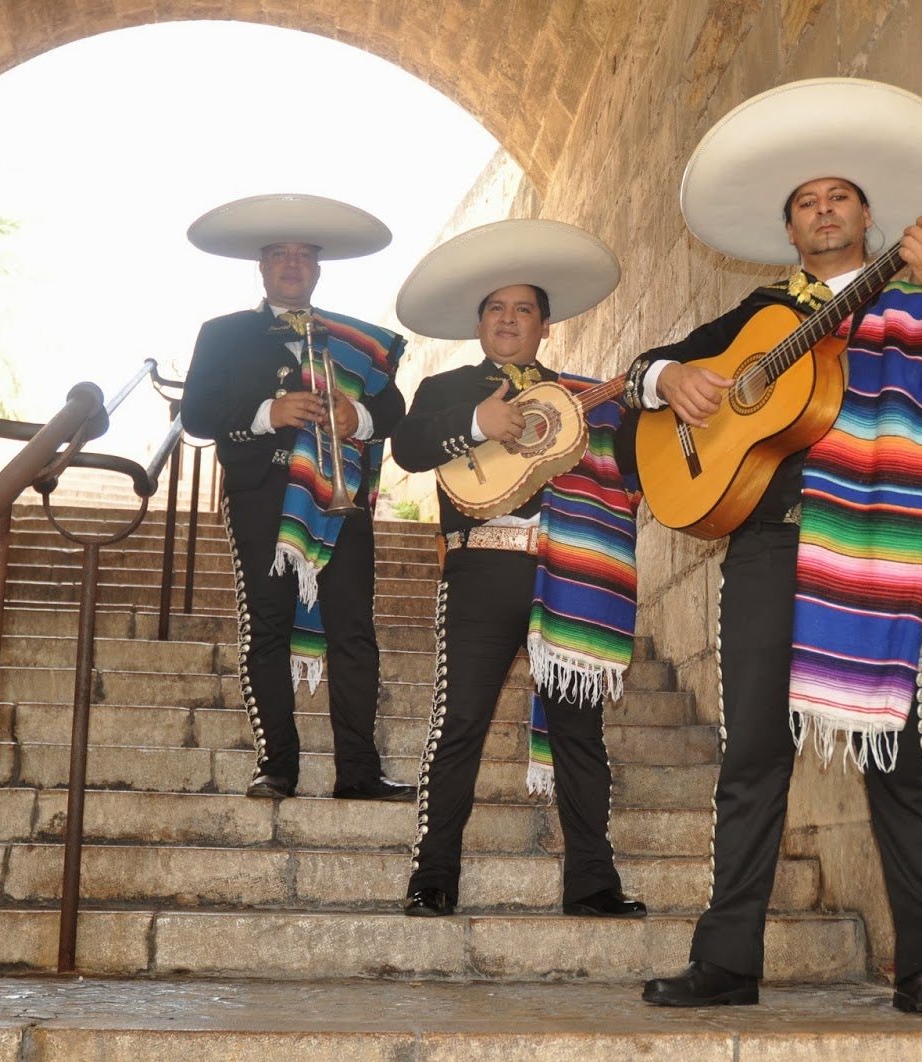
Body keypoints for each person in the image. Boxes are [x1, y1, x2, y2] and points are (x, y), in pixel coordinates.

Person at [629, 80, 922, 1020]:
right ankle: (726, 962)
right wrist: (677, 380)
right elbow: (640, 376)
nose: (823, 210)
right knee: (749, 756)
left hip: (872, 554)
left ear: (870, 215)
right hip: (762, 550)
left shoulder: (913, 302)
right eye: (806, 203)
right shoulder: (757, 314)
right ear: (791, 229)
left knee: (894, 753)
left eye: (838, 196)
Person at [388, 219, 647, 920]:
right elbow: (409, 448)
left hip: (570, 574)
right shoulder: (446, 388)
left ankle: (593, 885)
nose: (509, 320)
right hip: (482, 572)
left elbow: (634, 472)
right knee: (460, 721)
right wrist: (478, 422)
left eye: (522, 310)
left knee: (579, 731)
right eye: (496, 310)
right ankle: (432, 877)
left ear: (544, 325)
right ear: (480, 325)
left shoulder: (585, 396)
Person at [182, 193, 416, 803]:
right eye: (280, 255)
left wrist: (355, 414)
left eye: (303, 255)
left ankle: (359, 772)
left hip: (340, 503)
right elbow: (198, 414)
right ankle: (276, 767)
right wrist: (268, 412)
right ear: (261, 266)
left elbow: (394, 410)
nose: (292, 264)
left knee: (354, 632)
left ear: (318, 267)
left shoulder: (355, 341)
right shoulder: (222, 333)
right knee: (266, 629)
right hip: (262, 496)